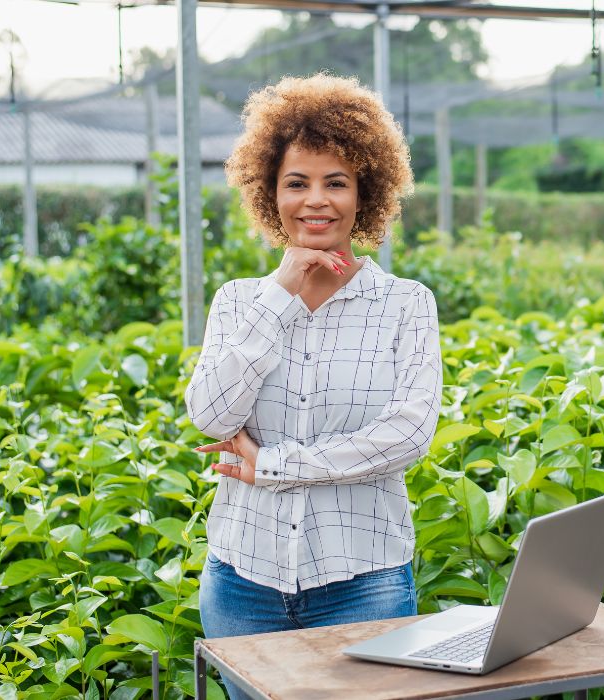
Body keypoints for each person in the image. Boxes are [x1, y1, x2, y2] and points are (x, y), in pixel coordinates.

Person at [185, 73, 442, 700]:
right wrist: (281, 294)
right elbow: (212, 415)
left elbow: (406, 438)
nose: (316, 200)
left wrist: (273, 464)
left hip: (365, 579)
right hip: (243, 579)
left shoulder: (404, 304)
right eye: (296, 183)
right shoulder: (240, 301)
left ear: (366, 194)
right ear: (270, 194)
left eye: (336, 182)